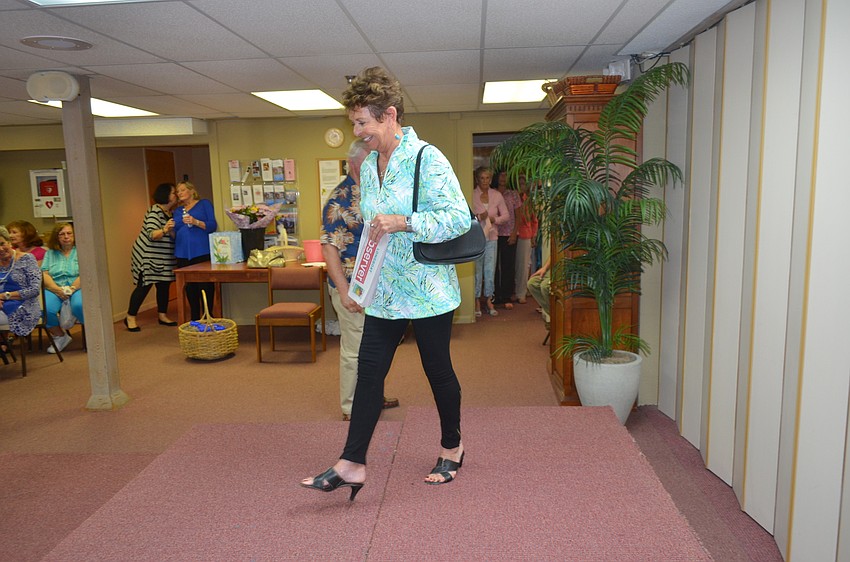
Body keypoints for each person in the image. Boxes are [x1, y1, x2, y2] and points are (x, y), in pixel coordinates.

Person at [301, 66, 471, 498]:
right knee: (369, 373)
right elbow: (370, 230)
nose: (358, 132)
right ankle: (352, 462)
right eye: (354, 123)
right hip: (384, 293)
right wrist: (355, 284)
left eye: (362, 123)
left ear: (390, 115)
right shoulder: (371, 166)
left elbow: (456, 219)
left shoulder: (426, 158)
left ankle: (452, 446)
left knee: (438, 372)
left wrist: (403, 221)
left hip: (428, 291)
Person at [320, 140, 400, 421]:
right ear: (355, 163)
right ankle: (352, 407)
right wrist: (344, 292)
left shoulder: (372, 192)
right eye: (372, 159)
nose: (378, 164)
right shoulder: (339, 199)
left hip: (377, 288)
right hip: (352, 288)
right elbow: (329, 248)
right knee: (355, 349)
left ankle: (373, 395)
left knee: (376, 346)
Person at [125, 183, 178, 331]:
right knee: (144, 286)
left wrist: (172, 231)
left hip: (164, 257)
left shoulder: (171, 213)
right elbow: (152, 234)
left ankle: (162, 315)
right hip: (147, 256)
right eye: (173, 193)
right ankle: (130, 317)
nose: (176, 195)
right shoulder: (155, 211)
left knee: (163, 285)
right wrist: (165, 229)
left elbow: (172, 235)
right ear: (165, 195)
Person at [172, 181, 217, 321]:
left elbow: (212, 225)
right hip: (182, 252)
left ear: (191, 191)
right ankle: (195, 317)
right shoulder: (177, 211)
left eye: (182, 190)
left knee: (205, 284)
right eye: (177, 191)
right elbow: (175, 233)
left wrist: (195, 222)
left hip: (201, 250)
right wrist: (168, 230)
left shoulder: (204, 204)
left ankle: (208, 315)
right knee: (190, 287)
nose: (179, 193)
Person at [0, 226, 42, 363]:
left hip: (25, 306)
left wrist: (5, 296)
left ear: (9, 242)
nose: (0, 249)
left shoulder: (27, 259)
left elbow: (34, 290)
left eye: (2, 244)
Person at [472, 166, 508, 318]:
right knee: (476, 271)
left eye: (487, 178)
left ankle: (488, 300)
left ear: (491, 179)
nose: (485, 181)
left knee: (489, 270)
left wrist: (495, 219)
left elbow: (506, 216)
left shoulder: (497, 195)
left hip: (492, 237)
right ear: (477, 179)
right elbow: (466, 218)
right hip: (476, 239)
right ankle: (476, 302)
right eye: (482, 178)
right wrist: (479, 217)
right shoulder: (472, 194)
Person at [41, 222, 82, 354]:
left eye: (69, 233)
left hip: (77, 286)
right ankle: (60, 336)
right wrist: (56, 289)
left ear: (75, 235)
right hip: (55, 287)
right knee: (45, 308)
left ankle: (94, 335)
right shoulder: (50, 253)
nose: (66, 237)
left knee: (79, 305)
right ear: (56, 237)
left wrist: (72, 289)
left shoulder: (82, 251)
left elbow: (86, 273)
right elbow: (44, 273)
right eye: (62, 234)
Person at [492, 170, 520, 309]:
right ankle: (496, 295)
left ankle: (507, 295)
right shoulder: (492, 193)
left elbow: (518, 215)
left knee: (508, 265)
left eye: (506, 175)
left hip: (509, 233)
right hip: (494, 234)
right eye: (501, 175)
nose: (503, 178)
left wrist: (515, 233)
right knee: (494, 266)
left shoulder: (513, 194)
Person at [514, 175, 538, 304]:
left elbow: (534, 220)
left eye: (523, 184)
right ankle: (514, 291)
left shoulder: (527, 201)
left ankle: (521, 292)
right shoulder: (511, 197)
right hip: (510, 234)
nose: (521, 186)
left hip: (525, 235)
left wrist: (533, 236)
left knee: (523, 266)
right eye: (519, 183)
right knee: (514, 265)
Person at [527, 256, 551, 330]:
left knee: (545, 286)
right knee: (532, 283)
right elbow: (555, 252)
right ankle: (554, 314)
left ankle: (556, 318)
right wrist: (544, 268)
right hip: (554, 272)